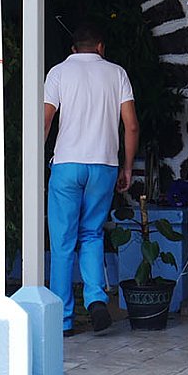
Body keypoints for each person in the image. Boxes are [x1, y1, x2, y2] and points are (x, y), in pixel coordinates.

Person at [43, 21, 139, 336]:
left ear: (73, 49)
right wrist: (127, 167)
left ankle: (63, 319)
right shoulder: (117, 73)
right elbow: (131, 125)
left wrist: (34, 160)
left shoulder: (58, 72)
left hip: (67, 165)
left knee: (62, 242)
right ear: (100, 47)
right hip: (103, 165)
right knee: (92, 234)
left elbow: (46, 120)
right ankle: (96, 298)